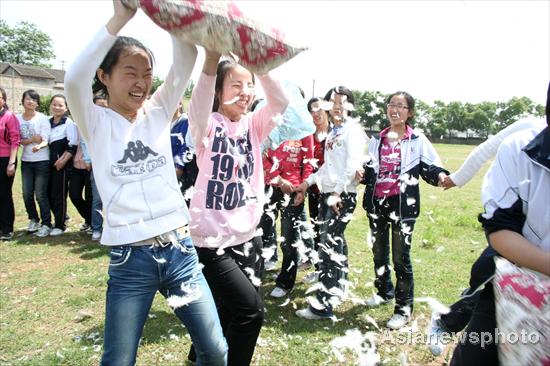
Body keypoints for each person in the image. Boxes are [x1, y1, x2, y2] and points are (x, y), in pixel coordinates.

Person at [65, 2, 227, 365]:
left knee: (216, 350)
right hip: (131, 260)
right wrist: (121, 18)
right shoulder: (95, 122)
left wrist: (170, 14)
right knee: (119, 360)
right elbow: (74, 80)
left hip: (180, 251)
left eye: (147, 73)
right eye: (129, 72)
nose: (141, 82)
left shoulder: (157, 111)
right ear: (104, 76)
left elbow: (184, 61)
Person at [187, 50, 288, 365]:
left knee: (227, 308)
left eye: (250, 85)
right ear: (218, 92)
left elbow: (281, 101)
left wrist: (259, 65)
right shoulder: (207, 126)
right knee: (250, 312)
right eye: (235, 85)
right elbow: (199, 102)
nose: (245, 93)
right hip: (211, 242)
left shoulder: (253, 126)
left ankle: (200, 356)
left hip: (248, 238)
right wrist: (210, 61)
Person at [427, 115, 547, 356]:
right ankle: (445, 322)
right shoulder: (529, 130)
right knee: (486, 282)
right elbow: (486, 149)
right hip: (515, 240)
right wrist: (457, 178)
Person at [360, 91, 449, 329]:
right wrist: (361, 174)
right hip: (377, 204)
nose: (395, 109)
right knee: (379, 253)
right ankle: (383, 292)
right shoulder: (377, 139)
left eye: (401, 106)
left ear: (409, 112)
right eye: (391, 105)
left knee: (401, 259)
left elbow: (430, 166)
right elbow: (369, 171)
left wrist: (439, 175)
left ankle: (403, 309)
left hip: (403, 207)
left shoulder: (417, 139)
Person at [295, 86, 367, 320]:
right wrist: (307, 182)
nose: (337, 107)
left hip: (340, 197)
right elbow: (328, 166)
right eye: (332, 103)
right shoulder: (335, 131)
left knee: (327, 249)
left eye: (342, 103)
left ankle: (323, 305)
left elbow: (351, 166)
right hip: (331, 195)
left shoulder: (352, 130)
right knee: (337, 246)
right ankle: (338, 290)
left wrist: (336, 193)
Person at [265, 133, 314, 298]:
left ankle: (285, 282)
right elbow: (262, 155)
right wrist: (278, 179)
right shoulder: (272, 125)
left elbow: (308, 162)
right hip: (269, 186)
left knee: (289, 238)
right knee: (263, 233)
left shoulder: (305, 130)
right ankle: (256, 274)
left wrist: (302, 188)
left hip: (294, 190)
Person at [17, 90, 52, 238]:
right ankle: (33, 219)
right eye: (27, 99)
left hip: (42, 161)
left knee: (41, 194)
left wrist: (40, 145)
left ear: (37, 103)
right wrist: (32, 140)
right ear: (23, 101)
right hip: (26, 161)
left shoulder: (42, 118)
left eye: (33, 99)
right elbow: (17, 140)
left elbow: (45, 139)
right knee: (26, 194)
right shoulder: (17, 118)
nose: (30, 101)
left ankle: (46, 224)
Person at [303, 96, 331, 283]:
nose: (316, 114)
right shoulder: (308, 136)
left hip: (332, 191)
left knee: (331, 233)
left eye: (319, 109)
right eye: (312, 110)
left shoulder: (336, 133)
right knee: (316, 230)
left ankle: (332, 273)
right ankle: (320, 270)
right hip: (314, 191)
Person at [47, 94, 78, 236]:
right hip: (48, 164)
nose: (57, 107)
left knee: (59, 195)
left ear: (66, 108)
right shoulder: (47, 122)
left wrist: (63, 160)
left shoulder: (68, 123)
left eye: (60, 105)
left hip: (63, 165)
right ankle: (62, 216)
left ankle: (60, 225)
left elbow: (73, 144)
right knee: (48, 194)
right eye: (54, 104)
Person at [0, 87, 21, 241]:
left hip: (6, 159)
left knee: (4, 194)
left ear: (4, 99)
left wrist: (11, 163)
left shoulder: (9, 117)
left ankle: (7, 228)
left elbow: (15, 141)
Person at [170, 102, 198, 205]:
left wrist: (179, 168)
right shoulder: (162, 123)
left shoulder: (186, 122)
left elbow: (186, 147)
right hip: (167, 170)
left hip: (181, 172)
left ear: (180, 104)